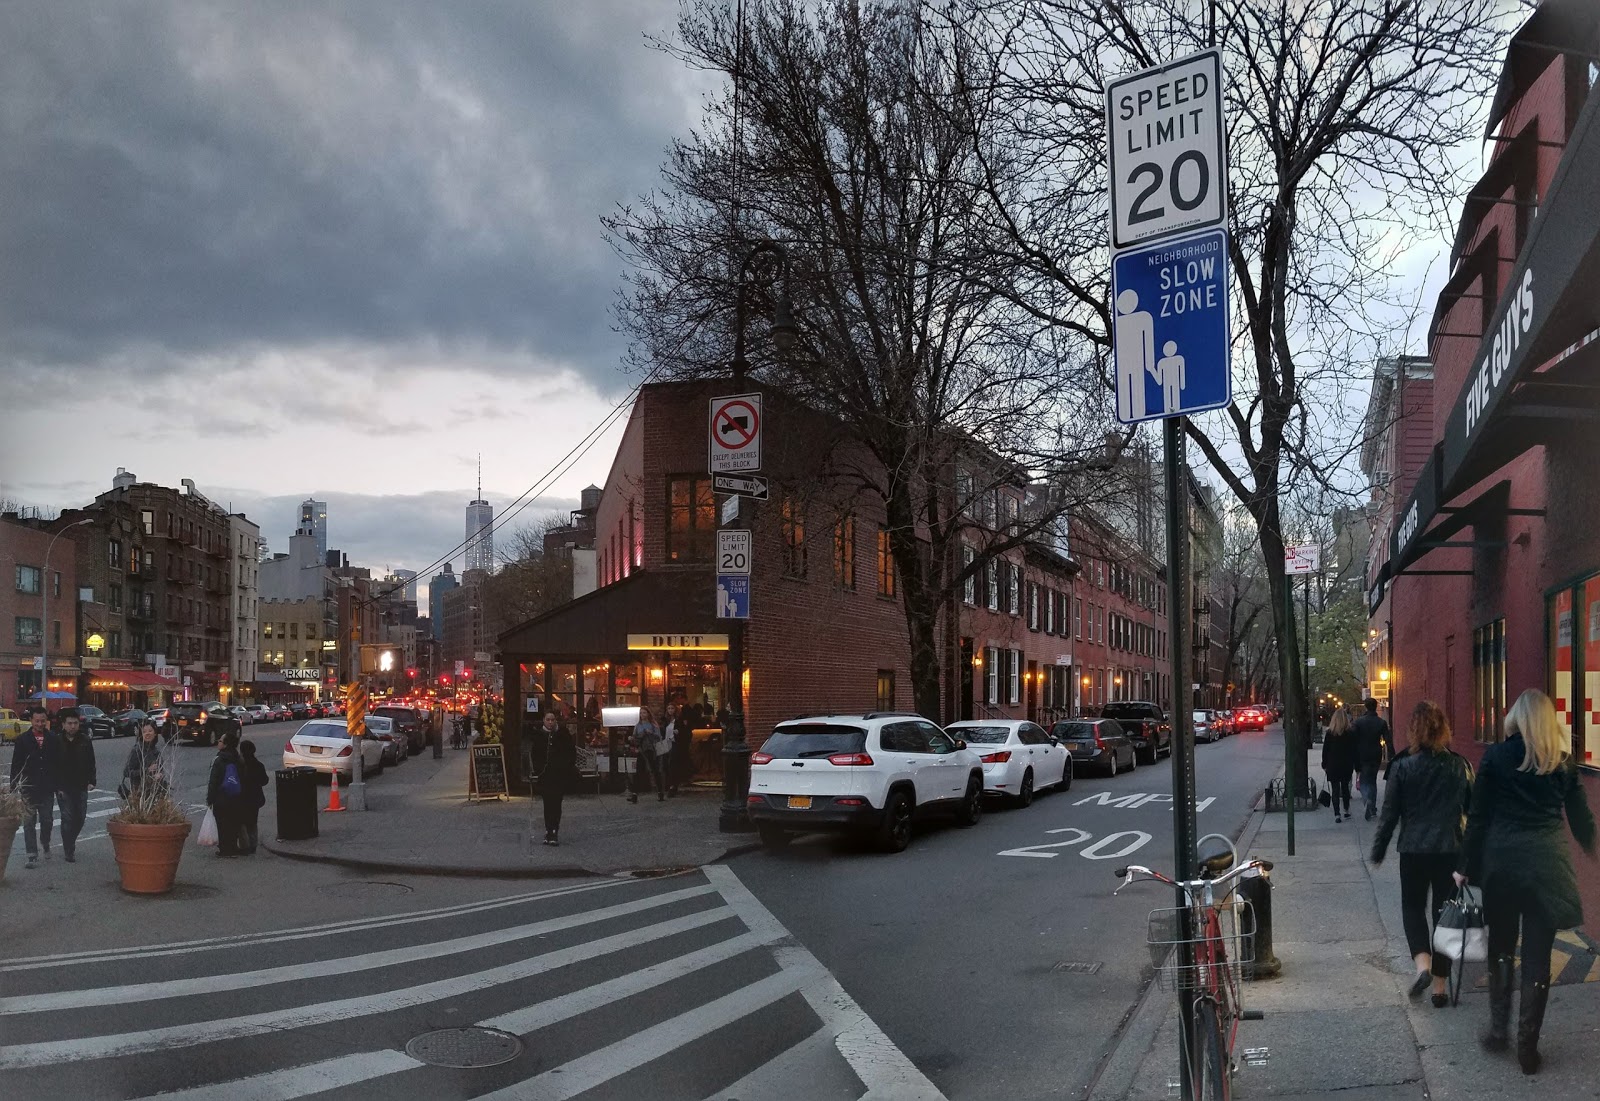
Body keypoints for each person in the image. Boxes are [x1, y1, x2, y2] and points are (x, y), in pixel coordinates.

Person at [1457, 688, 1596, 1075]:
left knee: (1501, 947)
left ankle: (1499, 1029)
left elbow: (1478, 816)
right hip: (1547, 867)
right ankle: (1527, 1046)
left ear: (1516, 717)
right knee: (1537, 959)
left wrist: (1465, 862)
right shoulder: (1562, 762)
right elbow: (1581, 819)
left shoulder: (1496, 757)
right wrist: (1592, 848)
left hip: (1502, 865)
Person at [1370, 700, 1473, 1007]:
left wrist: (1379, 848)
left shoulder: (1401, 765)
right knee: (1444, 916)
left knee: (1412, 908)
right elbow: (1475, 812)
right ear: (1443, 728)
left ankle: (1422, 966)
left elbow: (1390, 813)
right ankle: (1440, 987)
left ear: (1413, 729)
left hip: (1413, 849)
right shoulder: (1460, 765)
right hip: (1449, 850)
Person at [9, 709, 60, 868]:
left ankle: (45, 842)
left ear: (46, 721)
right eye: (37, 721)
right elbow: (16, 763)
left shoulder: (52, 738)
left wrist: (58, 784)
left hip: (47, 787)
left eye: (42, 721)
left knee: (47, 820)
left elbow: (58, 763)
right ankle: (31, 853)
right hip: (28, 786)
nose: (40, 724)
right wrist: (14, 786)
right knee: (29, 822)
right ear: (31, 720)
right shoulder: (23, 740)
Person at [54, 707, 97, 863]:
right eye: (69, 723)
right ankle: (69, 849)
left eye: (75, 723)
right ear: (63, 725)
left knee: (80, 818)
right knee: (67, 818)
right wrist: (55, 786)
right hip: (63, 786)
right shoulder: (57, 741)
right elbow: (53, 765)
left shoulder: (85, 740)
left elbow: (91, 761)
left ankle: (70, 841)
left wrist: (92, 781)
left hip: (81, 785)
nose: (73, 726)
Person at [206, 731, 249, 857]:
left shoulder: (219, 760)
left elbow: (213, 781)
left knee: (222, 824)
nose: (218, 742)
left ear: (225, 745)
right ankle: (233, 847)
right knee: (234, 822)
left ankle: (225, 849)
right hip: (236, 797)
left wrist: (210, 798)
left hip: (221, 797)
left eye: (220, 740)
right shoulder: (238, 759)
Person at [540, 713, 578, 846]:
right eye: (548, 720)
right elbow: (535, 753)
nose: (550, 722)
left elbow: (570, 752)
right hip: (545, 775)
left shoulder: (562, 734)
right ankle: (548, 829)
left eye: (552, 720)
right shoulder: (540, 735)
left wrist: (565, 767)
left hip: (559, 775)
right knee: (547, 803)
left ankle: (554, 830)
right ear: (544, 721)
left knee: (556, 803)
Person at [1352, 698, 1393, 820]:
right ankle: (1373, 809)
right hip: (1376, 753)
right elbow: (1388, 740)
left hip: (1362, 754)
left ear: (1365, 707)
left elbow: (1353, 740)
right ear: (1376, 707)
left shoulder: (1358, 722)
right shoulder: (1381, 722)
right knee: (1372, 780)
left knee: (1364, 780)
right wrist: (1392, 755)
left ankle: (1367, 800)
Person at [121, 720, 170, 803]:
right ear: (141, 735)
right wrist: (147, 770)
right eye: (144, 732)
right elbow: (127, 772)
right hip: (139, 794)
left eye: (150, 731)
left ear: (155, 734)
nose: (147, 734)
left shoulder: (156, 751)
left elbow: (160, 769)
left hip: (155, 792)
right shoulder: (137, 750)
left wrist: (160, 775)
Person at [1321, 707, 1355, 822]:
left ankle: (1337, 814)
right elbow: (1353, 750)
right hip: (1346, 764)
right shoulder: (1350, 733)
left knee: (1335, 790)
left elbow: (1325, 750)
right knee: (1345, 788)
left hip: (1333, 764)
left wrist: (1324, 764)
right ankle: (1346, 810)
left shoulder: (1330, 733)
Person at [237, 739, 269, 854]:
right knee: (252, 822)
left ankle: (244, 845)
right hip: (255, 798)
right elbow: (264, 780)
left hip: (241, 797)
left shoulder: (239, 765)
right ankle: (253, 844)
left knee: (241, 822)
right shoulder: (258, 765)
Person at [628, 706, 664, 804]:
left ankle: (660, 791)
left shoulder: (653, 725)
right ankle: (634, 794)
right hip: (641, 750)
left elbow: (659, 737)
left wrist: (651, 733)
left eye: (644, 713)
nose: (642, 715)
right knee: (638, 772)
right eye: (641, 713)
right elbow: (635, 738)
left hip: (651, 750)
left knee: (655, 770)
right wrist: (632, 739)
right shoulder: (638, 726)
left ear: (648, 714)